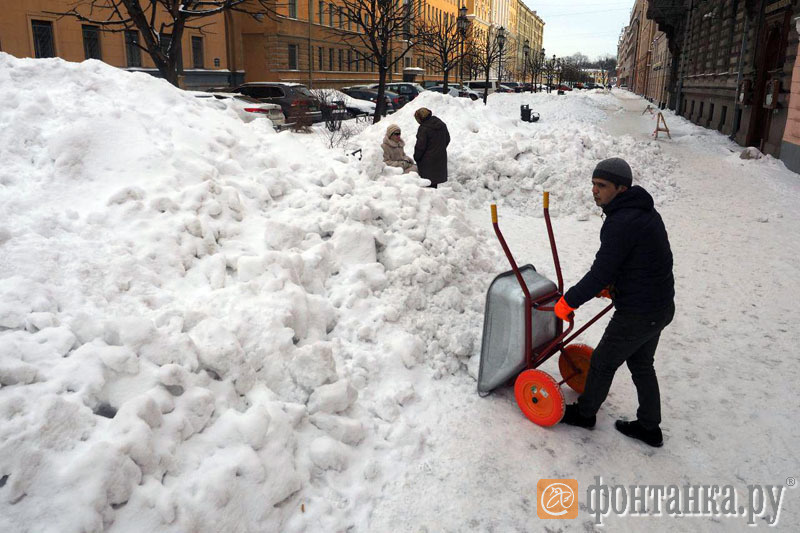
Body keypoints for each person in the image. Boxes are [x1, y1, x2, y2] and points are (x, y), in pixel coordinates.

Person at [556, 157, 675, 447]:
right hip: (659, 307)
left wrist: (568, 302)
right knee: (641, 364)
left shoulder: (622, 221)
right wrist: (617, 285)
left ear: (621, 189)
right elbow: (642, 260)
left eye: (602, 185)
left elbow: (600, 272)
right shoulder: (641, 211)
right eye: (593, 184)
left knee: (602, 361)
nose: (595, 191)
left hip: (639, 311)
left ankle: (585, 414)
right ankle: (649, 427)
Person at [413, 107, 450, 188]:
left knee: (427, 185)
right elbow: (447, 139)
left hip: (427, 161)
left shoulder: (424, 128)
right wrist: (439, 149)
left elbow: (420, 146)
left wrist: (416, 157)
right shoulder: (441, 124)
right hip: (440, 158)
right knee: (434, 184)